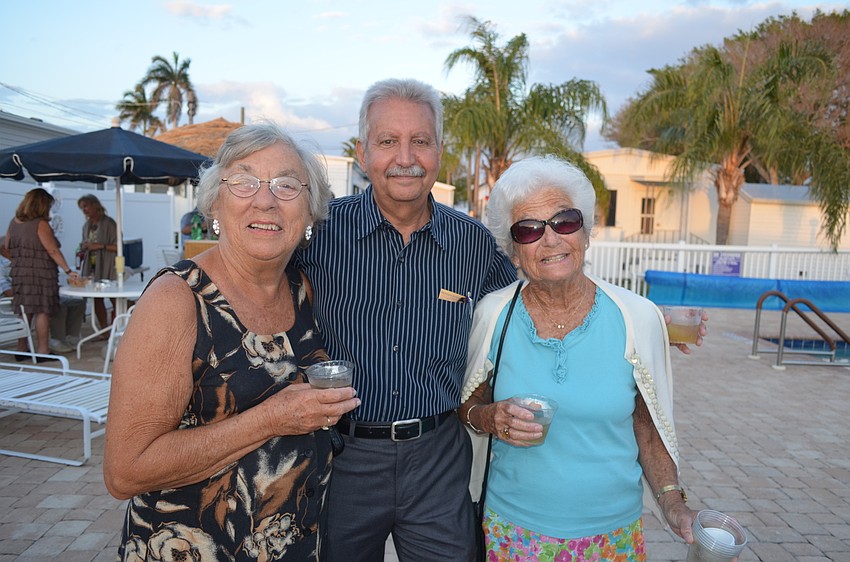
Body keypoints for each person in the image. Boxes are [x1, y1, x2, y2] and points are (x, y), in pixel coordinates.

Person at [103, 123, 361, 561]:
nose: (265, 199)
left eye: (286, 184)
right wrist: (271, 418)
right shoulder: (177, 299)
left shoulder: (305, 290)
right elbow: (125, 471)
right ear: (215, 203)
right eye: (243, 181)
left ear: (310, 211)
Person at [296, 78, 518, 561]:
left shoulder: (474, 244)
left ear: (440, 150)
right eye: (388, 141)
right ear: (362, 151)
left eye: (420, 140)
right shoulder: (318, 235)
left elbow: (528, 309)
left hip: (439, 459)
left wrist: (638, 321)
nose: (405, 157)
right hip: (342, 458)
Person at [459, 155, 697, 561]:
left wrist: (673, 502)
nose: (550, 239)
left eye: (565, 221)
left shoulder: (635, 317)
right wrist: (490, 417)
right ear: (513, 251)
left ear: (586, 233)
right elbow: (467, 405)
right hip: (514, 532)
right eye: (529, 229)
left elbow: (647, 424)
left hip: (612, 537)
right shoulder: (493, 314)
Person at [3, 188, 79, 360]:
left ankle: (21, 349)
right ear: (42, 205)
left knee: (24, 312)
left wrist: (19, 260)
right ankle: (42, 351)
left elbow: (6, 247)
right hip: (40, 274)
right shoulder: (40, 224)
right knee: (42, 311)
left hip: (20, 274)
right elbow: (52, 250)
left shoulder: (13, 223)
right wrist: (68, 270)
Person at [77, 194, 117, 329]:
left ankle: (116, 328)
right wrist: (84, 247)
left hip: (107, 265)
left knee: (114, 297)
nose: (84, 210)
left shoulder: (109, 224)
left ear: (95, 205)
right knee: (96, 298)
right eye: (82, 208)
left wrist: (99, 246)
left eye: (86, 206)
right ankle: (104, 330)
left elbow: (118, 246)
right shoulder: (86, 225)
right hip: (92, 266)